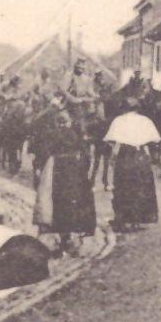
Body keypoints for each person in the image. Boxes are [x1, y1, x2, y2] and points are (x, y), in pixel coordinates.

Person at [32, 107, 97, 252]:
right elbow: (86, 156)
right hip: (73, 170)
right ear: (69, 122)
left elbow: (41, 154)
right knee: (74, 201)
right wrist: (84, 172)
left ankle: (61, 236)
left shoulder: (50, 135)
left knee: (56, 202)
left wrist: (39, 170)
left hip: (54, 170)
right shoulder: (75, 135)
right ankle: (70, 237)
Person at [105, 94, 161, 230]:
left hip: (124, 156)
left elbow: (111, 141)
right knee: (141, 186)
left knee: (123, 186)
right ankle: (140, 218)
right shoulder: (145, 120)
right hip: (140, 155)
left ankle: (123, 218)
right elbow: (156, 140)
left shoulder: (118, 121)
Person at [63, 58, 101, 133]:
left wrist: (96, 96)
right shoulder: (69, 76)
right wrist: (73, 99)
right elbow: (64, 91)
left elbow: (89, 91)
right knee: (80, 113)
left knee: (98, 109)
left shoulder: (86, 78)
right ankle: (83, 132)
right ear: (75, 67)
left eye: (82, 68)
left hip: (84, 100)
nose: (80, 69)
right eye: (79, 67)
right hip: (73, 101)